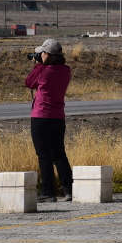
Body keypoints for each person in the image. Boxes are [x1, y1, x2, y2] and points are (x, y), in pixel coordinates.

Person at [25, 39, 73, 203]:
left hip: (41, 117)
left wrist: (37, 65)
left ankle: (48, 192)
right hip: (58, 117)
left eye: (42, 53)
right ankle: (69, 190)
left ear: (47, 55)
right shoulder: (66, 70)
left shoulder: (42, 70)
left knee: (44, 156)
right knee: (59, 154)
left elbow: (29, 83)